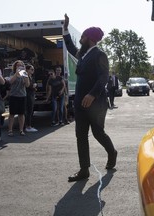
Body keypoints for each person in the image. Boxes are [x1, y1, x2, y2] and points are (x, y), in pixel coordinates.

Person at [63, 13, 117, 182]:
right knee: (80, 135)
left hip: (96, 103)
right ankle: (84, 170)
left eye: (84, 36)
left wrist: (92, 94)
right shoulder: (84, 54)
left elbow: (103, 77)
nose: (81, 38)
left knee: (98, 132)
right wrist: (65, 30)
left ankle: (112, 152)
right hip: (80, 103)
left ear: (90, 39)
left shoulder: (99, 55)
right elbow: (72, 48)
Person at [8, 60, 30, 136]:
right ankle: (10, 130)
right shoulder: (12, 73)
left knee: (21, 113)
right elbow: (10, 82)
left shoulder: (24, 74)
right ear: (15, 66)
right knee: (12, 114)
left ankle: (21, 130)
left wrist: (25, 75)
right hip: (13, 95)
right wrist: (16, 73)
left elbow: (27, 85)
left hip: (22, 95)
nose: (19, 66)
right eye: (18, 65)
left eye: (21, 65)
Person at [25, 64, 38, 132]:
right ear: (27, 70)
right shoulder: (26, 77)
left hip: (31, 95)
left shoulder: (31, 77)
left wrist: (35, 86)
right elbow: (28, 86)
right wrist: (33, 86)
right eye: (31, 69)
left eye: (33, 69)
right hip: (28, 95)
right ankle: (28, 126)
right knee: (29, 111)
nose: (33, 71)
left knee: (30, 111)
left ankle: (28, 125)